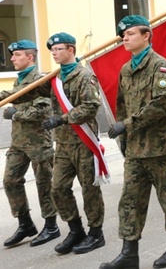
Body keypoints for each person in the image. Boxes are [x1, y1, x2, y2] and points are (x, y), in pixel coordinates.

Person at [100, 15, 166, 269]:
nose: (124, 39)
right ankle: (129, 254)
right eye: (123, 36)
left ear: (146, 35)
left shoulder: (160, 66)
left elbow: (161, 105)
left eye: (129, 34)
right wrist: (125, 138)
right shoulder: (126, 69)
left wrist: (125, 126)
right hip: (137, 150)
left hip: (162, 149)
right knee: (130, 201)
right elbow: (121, 106)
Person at [43, 32, 105, 255]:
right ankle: (75, 229)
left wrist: (62, 118)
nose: (54, 53)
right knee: (58, 188)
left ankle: (96, 234)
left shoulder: (83, 76)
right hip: (64, 143)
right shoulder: (55, 78)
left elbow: (90, 107)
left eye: (59, 49)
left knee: (90, 189)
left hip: (83, 140)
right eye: (52, 50)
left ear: (71, 50)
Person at [1, 40, 60, 248]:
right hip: (19, 142)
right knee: (10, 181)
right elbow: (12, 95)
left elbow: (42, 110)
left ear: (30, 57)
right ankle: (25, 223)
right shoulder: (20, 80)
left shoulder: (41, 80)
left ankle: (51, 226)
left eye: (17, 55)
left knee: (44, 183)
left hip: (37, 141)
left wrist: (16, 114)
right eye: (13, 55)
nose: (12, 59)